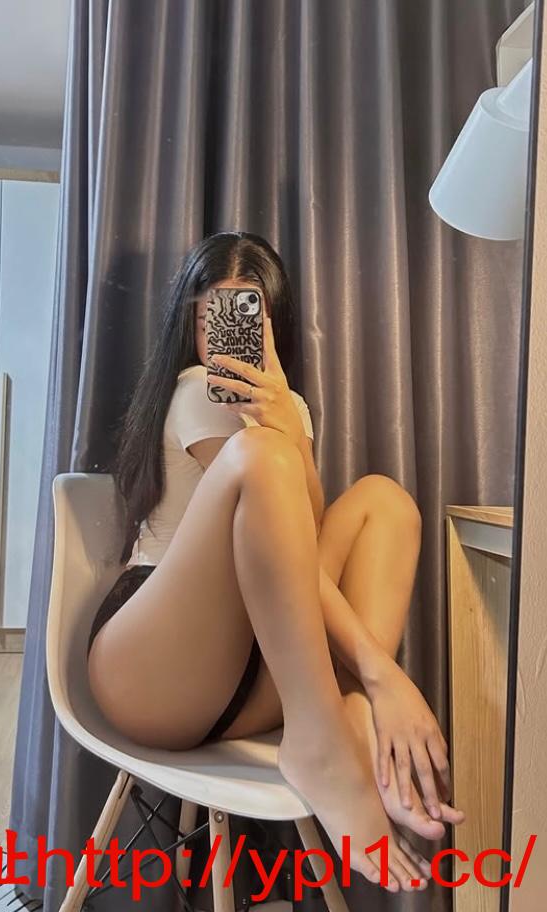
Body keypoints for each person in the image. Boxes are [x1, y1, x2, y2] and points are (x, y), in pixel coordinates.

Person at [87, 231, 464, 893]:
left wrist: (292, 433)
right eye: (211, 315)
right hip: (150, 669)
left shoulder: (289, 411)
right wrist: (384, 673)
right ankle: (334, 730)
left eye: (245, 316)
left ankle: (344, 714)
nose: (224, 337)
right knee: (262, 457)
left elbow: (297, 552)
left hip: (252, 675)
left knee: (384, 500)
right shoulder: (196, 390)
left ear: (272, 324)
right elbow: (265, 499)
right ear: (188, 321)